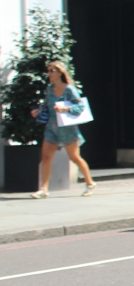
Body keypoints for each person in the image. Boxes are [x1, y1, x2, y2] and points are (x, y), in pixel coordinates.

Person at [29, 61, 95, 198]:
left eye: (52, 70)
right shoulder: (49, 89)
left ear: (60, 72)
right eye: (48, 71)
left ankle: (90, 183)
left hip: (67, 129)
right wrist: (38, 111)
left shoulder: (69, 89)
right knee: (46, 158)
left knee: (75, 158)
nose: (50, 74)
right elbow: (47, 105)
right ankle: (44, 190)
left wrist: (65, 108)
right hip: (52, 128)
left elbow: (81, 107)